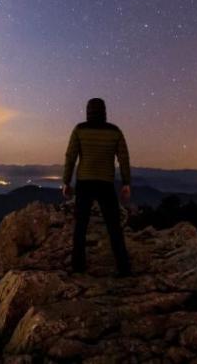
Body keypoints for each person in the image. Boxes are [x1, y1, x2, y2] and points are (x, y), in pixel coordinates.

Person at [61, 97, 132, 277]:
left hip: (84, 182)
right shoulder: (115, 132)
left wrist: (66, 182)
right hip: (106, 183)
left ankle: (78, 266)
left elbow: (70, 157)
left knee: (81, 225)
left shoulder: (80, 130)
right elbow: (124, 158)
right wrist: (126, 183)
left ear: (87, 111)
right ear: (105, 112)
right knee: (114, 226)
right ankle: (123, 267)